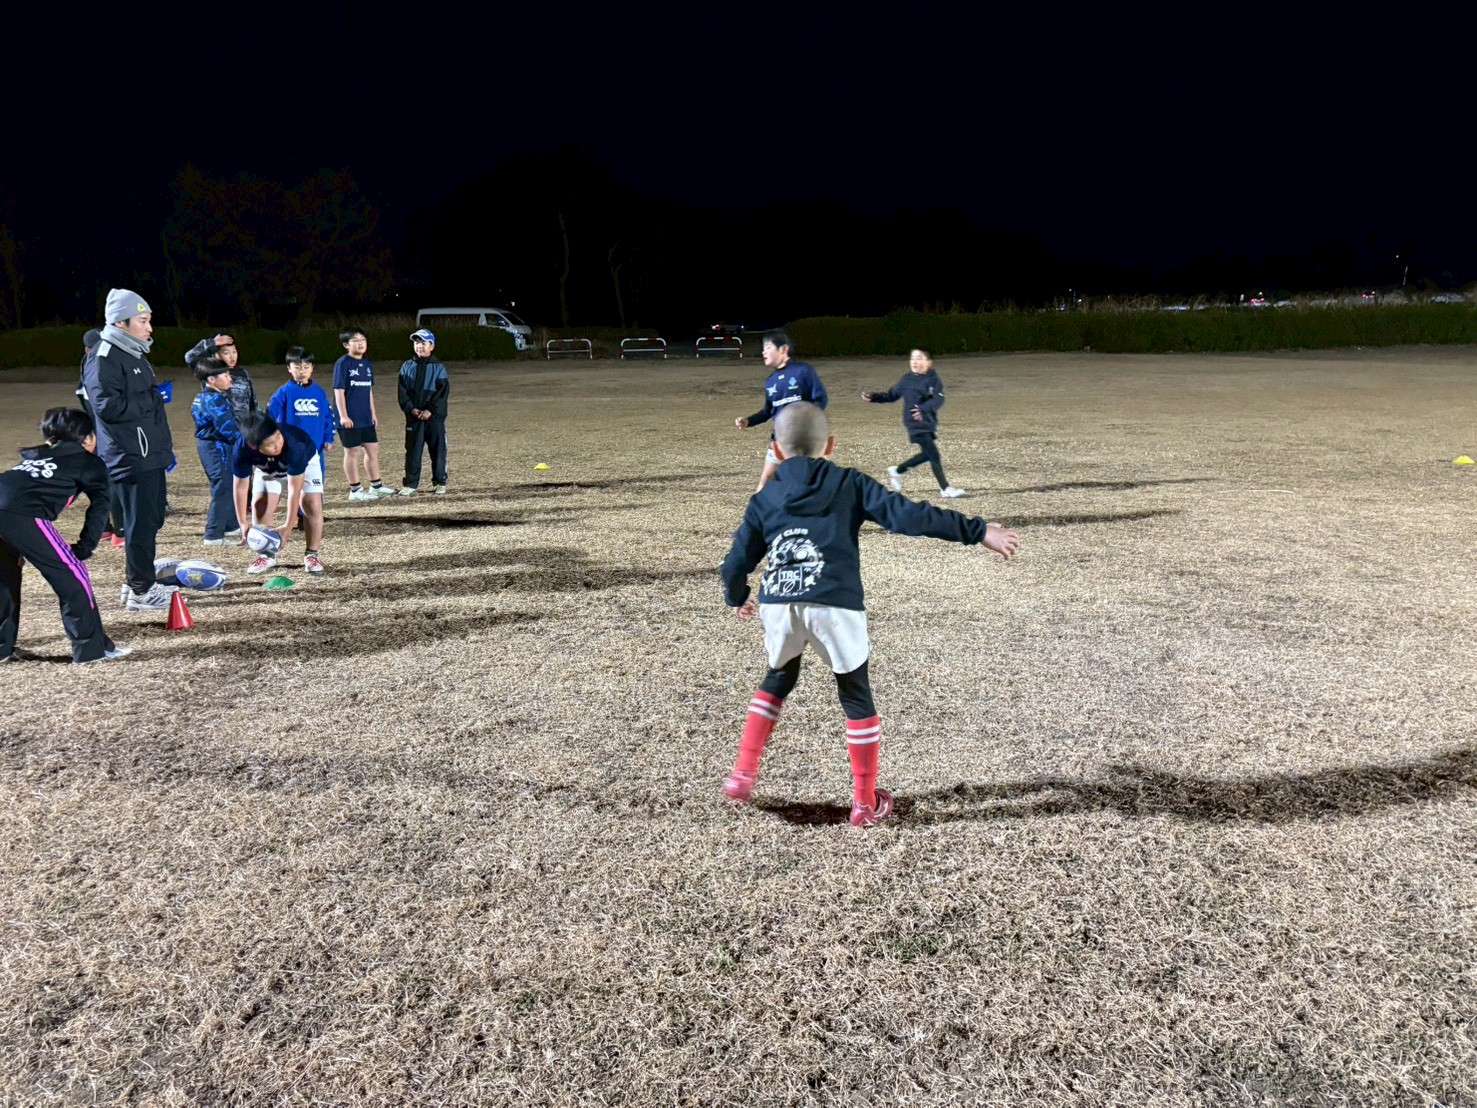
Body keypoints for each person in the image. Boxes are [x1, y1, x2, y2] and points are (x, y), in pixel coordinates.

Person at [719, 402, 1019, 827]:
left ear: (777, 451)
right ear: (830, 446)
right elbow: (907, 516)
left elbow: (735, 563)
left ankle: (742, 775)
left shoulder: (764, 497)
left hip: (779, 603)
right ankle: (864, 804)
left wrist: (738, 596)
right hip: (833, 602)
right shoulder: (848, 482)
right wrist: (978, 530)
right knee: (854, 692)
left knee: (779, 677)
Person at [0, 408, 132, 664]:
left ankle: (1, 648)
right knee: (74, 578)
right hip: (24, 515)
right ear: (86, 437)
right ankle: (91, 651)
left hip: (8, 507)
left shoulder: (37, 455)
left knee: (4, 578)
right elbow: (99, 509)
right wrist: (84, 548)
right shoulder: (89, 462)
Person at [81, 289, 178, 613]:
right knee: (140, 524)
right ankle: (141, 590)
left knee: (150, 520)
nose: (150, 327)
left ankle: (136, 580)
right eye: (143, 320)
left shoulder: (131, 351)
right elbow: (106, 406)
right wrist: (153, 397)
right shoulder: (104, 355)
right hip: (131, 455)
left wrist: (163, 449)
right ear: (120, 322)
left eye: (149, 320)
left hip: (147, 452)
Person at [231, 413, 327, 575]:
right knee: (260, 504)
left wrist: (288, 526)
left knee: (311, 503)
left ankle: (312, 554)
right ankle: (266, 554)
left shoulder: (296, 444)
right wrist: (242, 523)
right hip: (267, 469)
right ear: (253, 446)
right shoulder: (241, 450)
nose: (277, 445)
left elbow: (294, 491)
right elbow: (240, 487)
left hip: (306, 463)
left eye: (278, 437)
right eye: (270, 444)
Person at [733, 329, 828, 493]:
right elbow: (768, 411)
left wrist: (806, 422)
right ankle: (757, 509)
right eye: (763, 348)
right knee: (766, 480)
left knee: (813, 482)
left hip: (805, 439)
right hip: (780, 439)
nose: (763, 352)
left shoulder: (803, 371)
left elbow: (821, 400)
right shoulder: (770, 381)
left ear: (783, 349)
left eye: (768, 347)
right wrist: (748, 421)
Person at [863, 348, 965, 498]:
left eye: (919, 358)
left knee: (927, 455)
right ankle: (945, 488)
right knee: (934, 455)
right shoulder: (907, 380)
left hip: (928, 422)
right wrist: (874, 397)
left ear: (929, 363)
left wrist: (924, 409)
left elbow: (939, 399)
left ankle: (897, 471)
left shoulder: (933, 378)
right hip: (914, 423)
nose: (915, 362)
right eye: (912, 358)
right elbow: (891, 395)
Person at [265, 347, 335, 525]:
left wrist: (328, 438)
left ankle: (310, 514)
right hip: (292, 449)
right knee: (295, 483)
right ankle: (297, 515)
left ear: (312, 368)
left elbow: (328, 416)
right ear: (289, 368)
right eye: (297, 367)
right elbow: (269, 417)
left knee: (315, 483)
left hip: (315, 449)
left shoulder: (319, 392)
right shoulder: (284, 392)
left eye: (305, 367)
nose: (301, 371)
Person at [75, 328, 125, 548]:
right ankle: (121, 531)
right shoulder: (98, 372)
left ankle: (104, 528)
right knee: (113, 482)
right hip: (105, 436)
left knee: (99, 484)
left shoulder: (87, 371)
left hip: (94, 434)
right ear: (89, 351)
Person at [333, 328, 395, 500]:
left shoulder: (367, 364)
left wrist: (373, 413)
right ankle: (355, 491)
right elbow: (339, 391)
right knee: (353, 452)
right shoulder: (343, 363)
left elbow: (368, 391)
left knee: (372, 449)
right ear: (346, 345)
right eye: (355, 340)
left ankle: (376, 486)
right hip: (349, 418)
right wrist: (343, 416)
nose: (360, 343)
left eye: (363, 339)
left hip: (365, 417)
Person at [190, 356, 242, 546]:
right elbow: (228, 430)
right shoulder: (215, 399)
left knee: (226, 484)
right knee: (223, 487)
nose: (229, 378)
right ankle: (213, 534)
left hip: (210, 445)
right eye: (225, 375)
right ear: (212, 380)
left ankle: (230, 525)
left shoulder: (201, 397)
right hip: (216, 447)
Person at [396, 328, 450, 496]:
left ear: (432, 346)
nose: (419, 346)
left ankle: (440, 482)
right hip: (414, 418)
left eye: (423, 343)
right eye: (417, 342)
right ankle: (411, 484)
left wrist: (430, 410)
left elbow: (442, 394)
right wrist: (412, 409)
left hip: (434, 419)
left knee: (438, 450)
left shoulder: (439, 367)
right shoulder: (407, 366)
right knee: (413, 451)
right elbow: (402, 393)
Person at [185, 331, 257, 425]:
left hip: (243, 428)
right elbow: (189, 357)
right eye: (226, 353)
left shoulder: (243, 373)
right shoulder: (209, 370)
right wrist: (211, 343)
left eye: (234, 352)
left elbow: (252, 402)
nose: (232, 357)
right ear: (216, 355)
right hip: (219, 428)